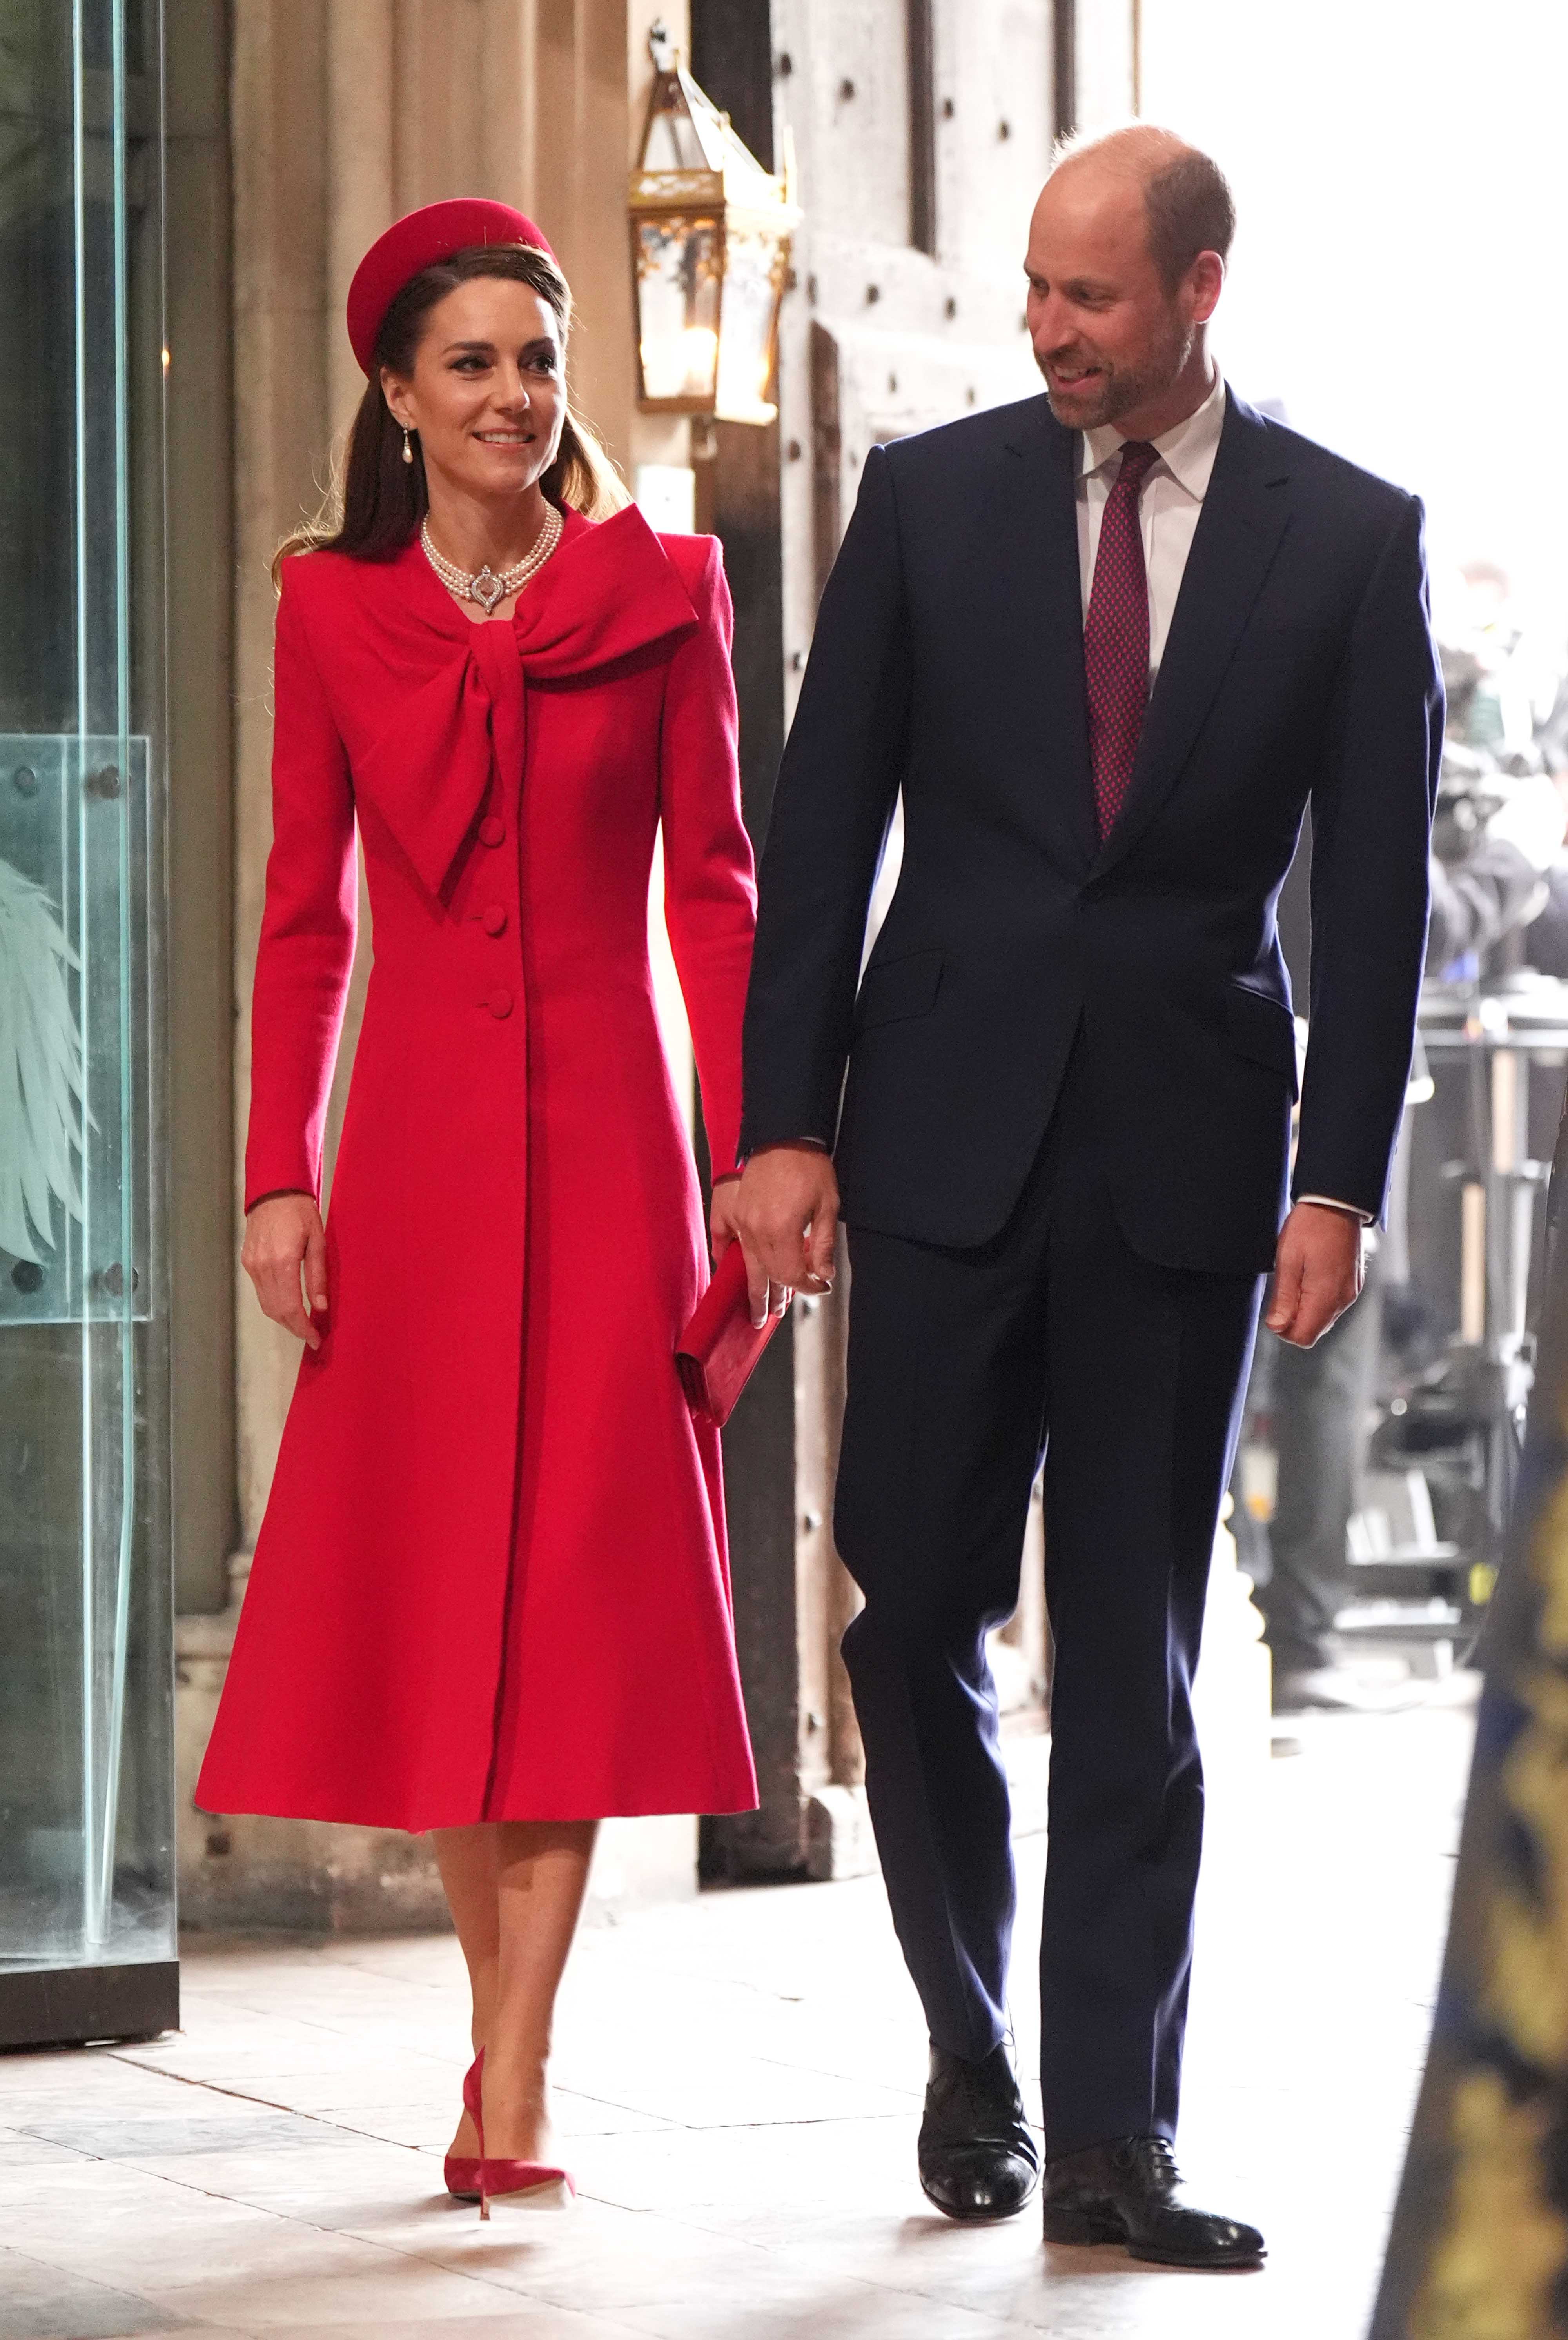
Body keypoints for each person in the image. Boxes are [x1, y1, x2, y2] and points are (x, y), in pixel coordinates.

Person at [733, 125, 1441, 2266]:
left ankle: (1120, 2138)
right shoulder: (929, 504)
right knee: (907, 1613)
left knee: (1136, 1659)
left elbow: (1383, 895)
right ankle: (976, 2051)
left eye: (1090, 298)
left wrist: (1343, 1177)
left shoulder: (1346, 536)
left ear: (1197, 292)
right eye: (1034, 291)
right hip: (940, 1139)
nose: (1044, 327)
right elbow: (824, 816)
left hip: (1187, 1164)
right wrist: (786, 1123)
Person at [196, 200, 759, 2215]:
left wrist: (747, 1159)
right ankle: (499, 2039)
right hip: (415, 1160)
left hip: (614, 1144)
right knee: (454, 1601)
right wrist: (278, 1173)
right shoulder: (327, 613)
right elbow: (298, 919)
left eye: (539, 359)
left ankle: (510, 2065)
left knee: (581, 1601)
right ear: (398, 395)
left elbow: (720, 896)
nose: (516, 395)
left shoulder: (668, 591)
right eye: (474, 365)